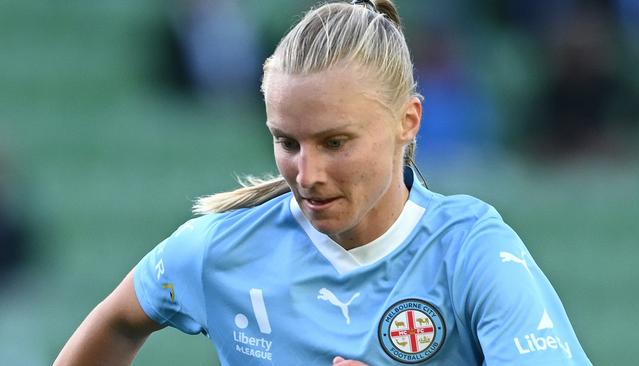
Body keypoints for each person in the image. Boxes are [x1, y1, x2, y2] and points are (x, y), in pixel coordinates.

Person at [54, 1, 592, 365]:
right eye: (287, 143)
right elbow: (120, 322)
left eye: (336, 143)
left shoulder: (472, 252)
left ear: (408, 120)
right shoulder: (220, 250)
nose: (306, 176)